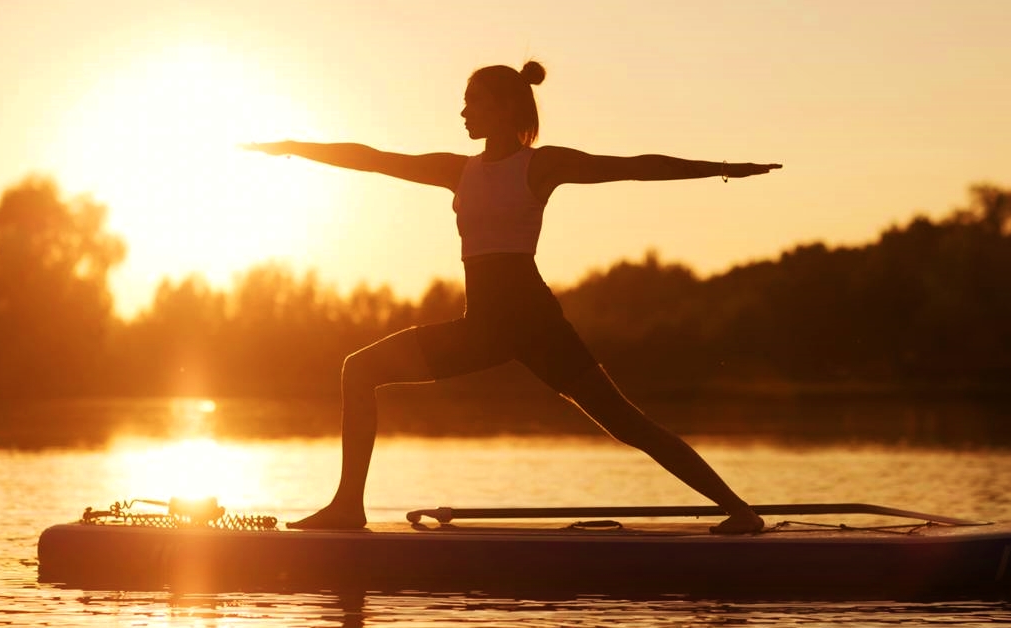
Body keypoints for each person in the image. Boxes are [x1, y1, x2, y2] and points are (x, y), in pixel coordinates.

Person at [243, 61, 782, 534]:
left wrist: (720, 168)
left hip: (533, 323)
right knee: (359, 370)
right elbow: (373, 157)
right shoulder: (458, 170)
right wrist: (294, 148)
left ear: (502, 106)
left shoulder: (541, 164)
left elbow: (635, 165)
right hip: (482, 327)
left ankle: (741, 511)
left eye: (470, 101)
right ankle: (347, 507)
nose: (462, 113)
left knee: (627, 424)